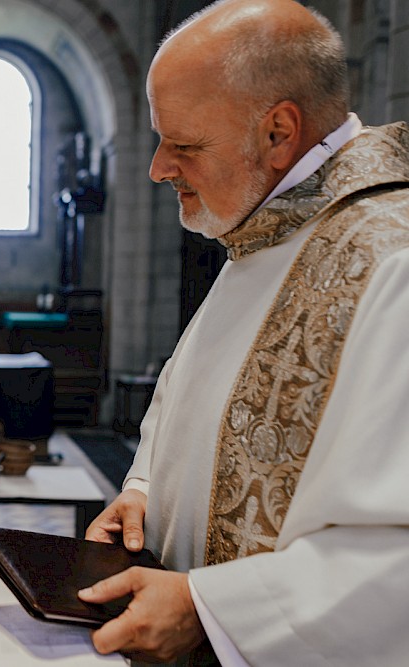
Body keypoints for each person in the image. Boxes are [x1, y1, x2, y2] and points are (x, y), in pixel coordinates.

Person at [80, 0, 409, 664]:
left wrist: (211, 609)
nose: (157, 168)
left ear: (277, 131)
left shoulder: (389, 261)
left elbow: (395, 551)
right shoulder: (265, 232)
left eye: (184, 145)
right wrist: (145, 491)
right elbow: (192, 406)